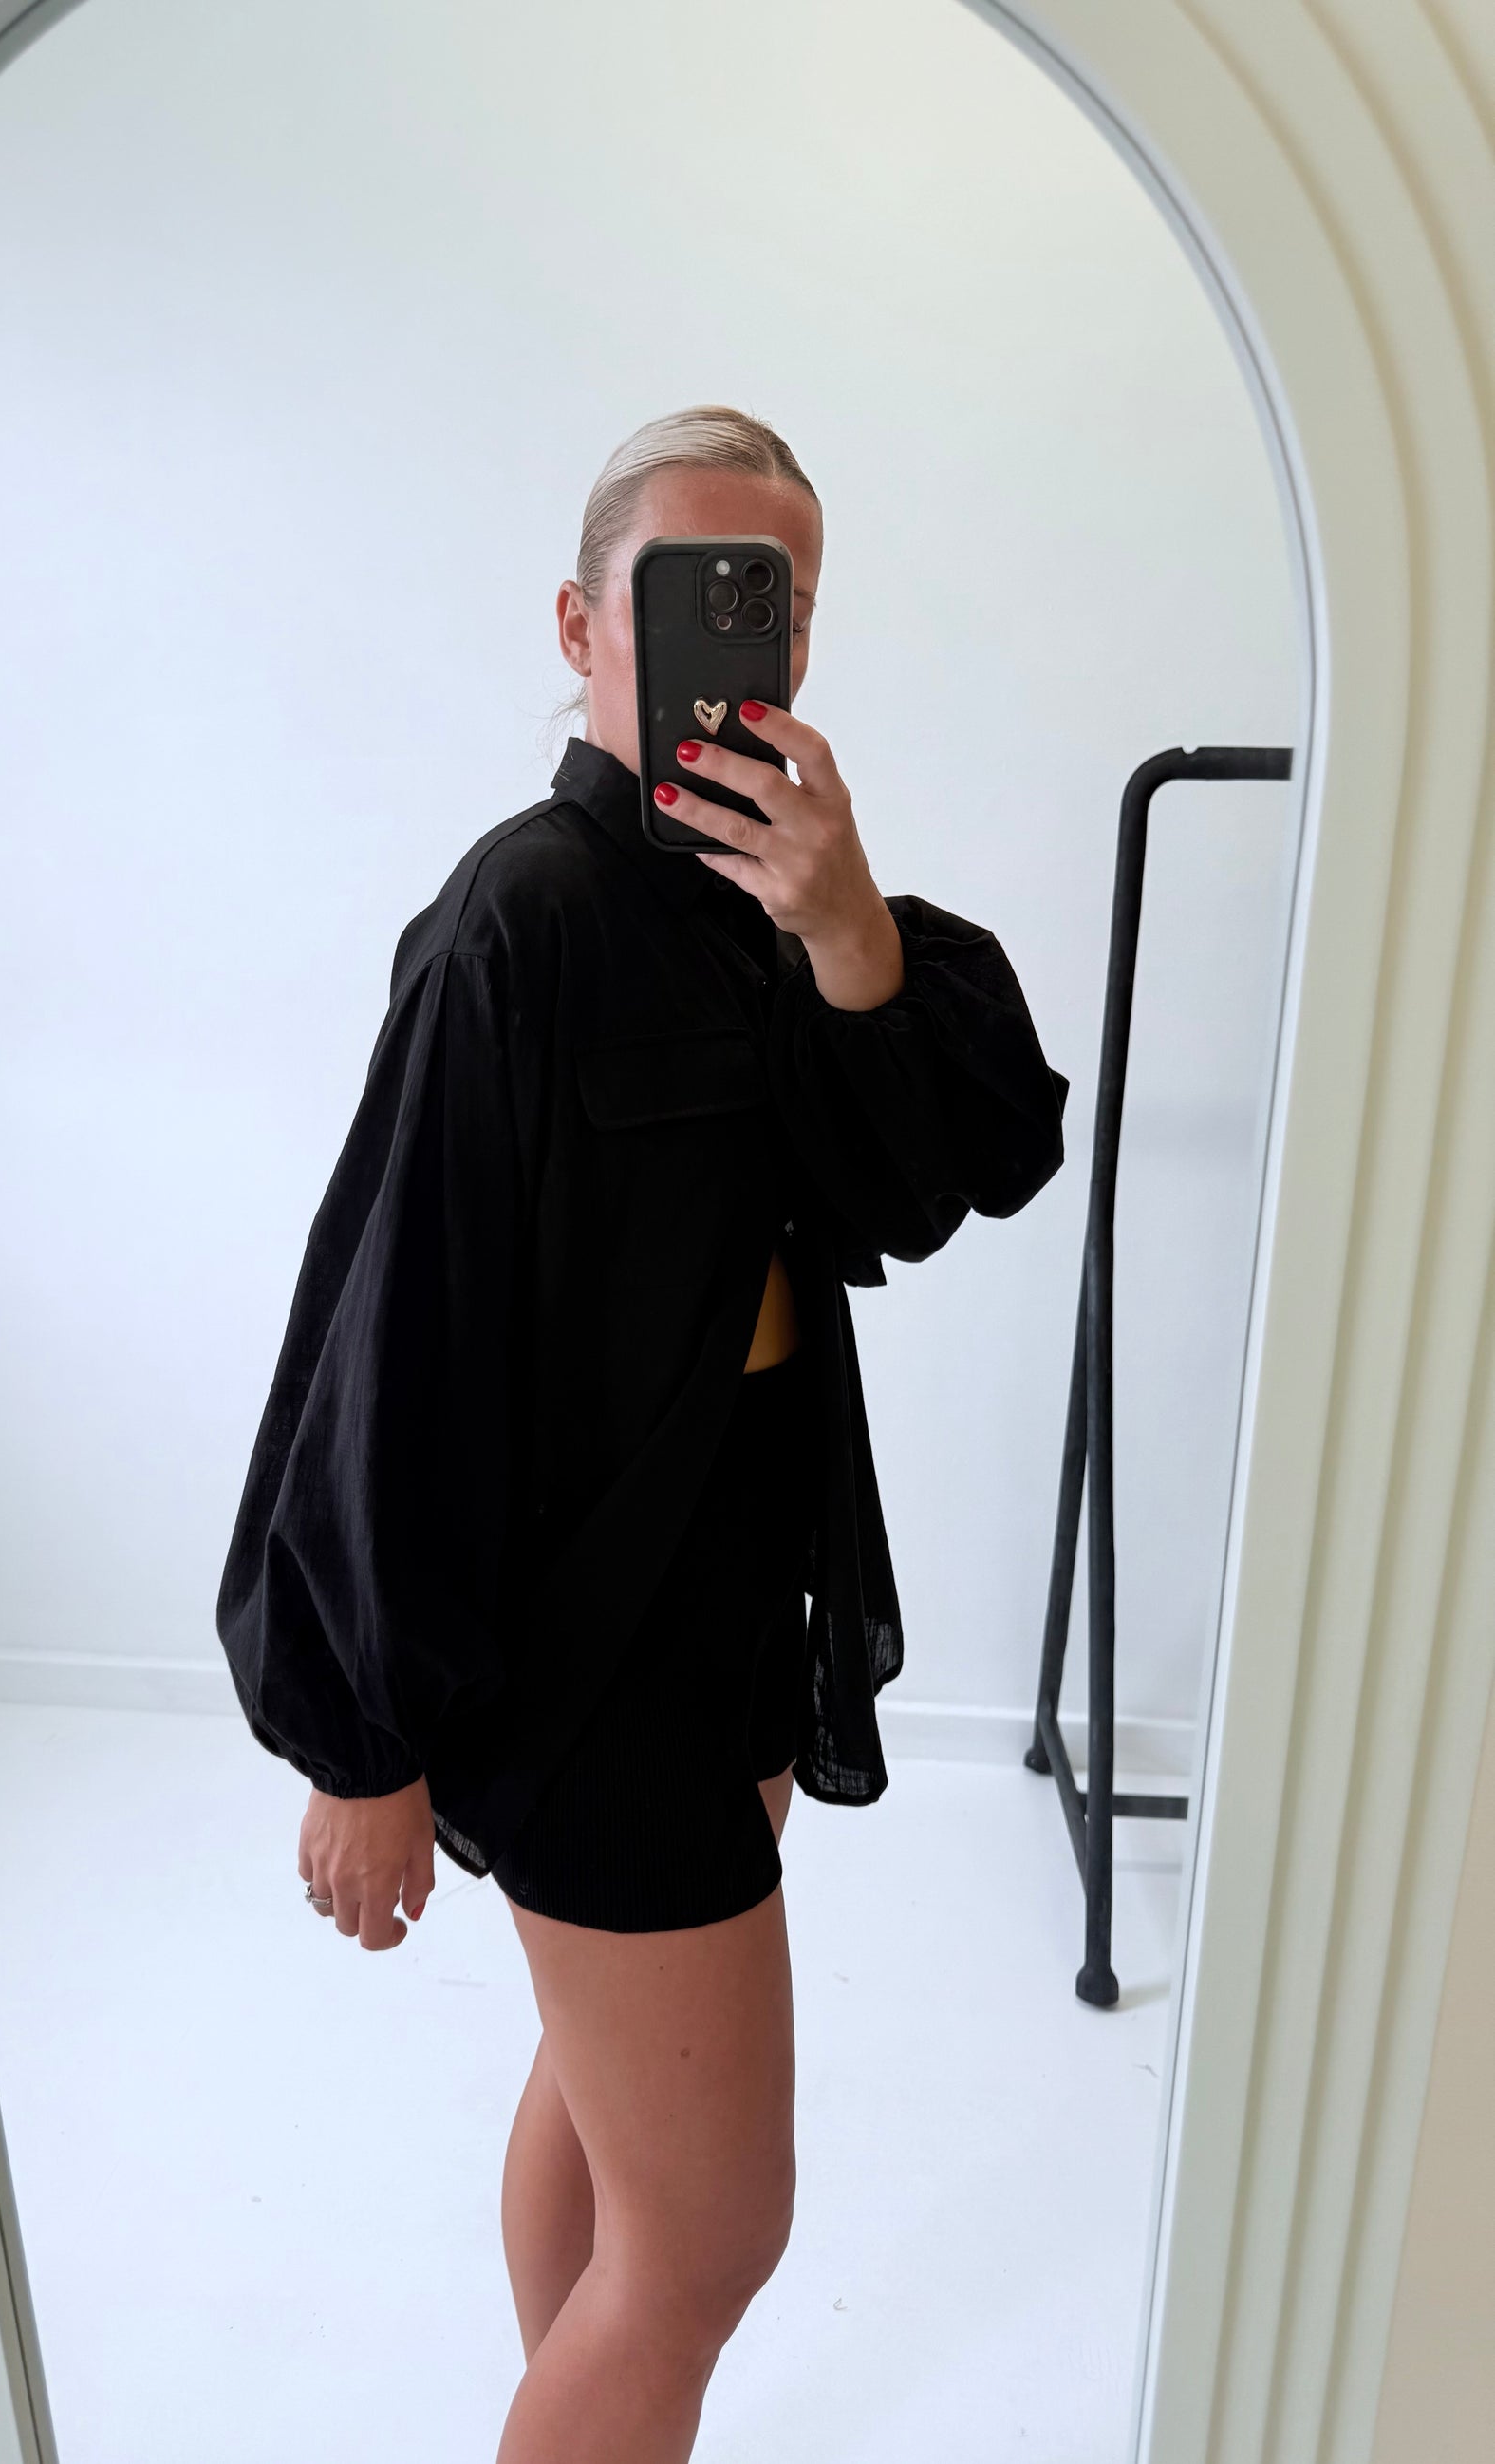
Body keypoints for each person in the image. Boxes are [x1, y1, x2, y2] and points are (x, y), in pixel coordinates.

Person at [215, 405, 1068, 2463]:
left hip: (741, 1589)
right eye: (690, 589)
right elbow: (384, 1338)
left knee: (615, 2131)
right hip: (583, 1643)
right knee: (708, 2243)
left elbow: (944, 1176)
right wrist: (359, 1735)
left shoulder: (781, 906)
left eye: (776, 601)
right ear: (583, 622)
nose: (737, 635)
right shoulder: (514, 921)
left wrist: (847, 928)